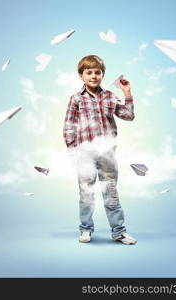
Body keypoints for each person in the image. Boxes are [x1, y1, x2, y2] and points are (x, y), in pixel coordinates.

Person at [63, 55, 137, 245]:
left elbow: (128, 116)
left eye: (97, 72)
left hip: (107, 154)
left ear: (102, 74)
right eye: (89, 72)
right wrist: (73, 151)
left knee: (111, 192)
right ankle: (86, 229)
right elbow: (69, 126)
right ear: (81, 75)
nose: (94, 76)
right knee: (86, 193)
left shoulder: (110, 96)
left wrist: (127, 93)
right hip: (84, 153)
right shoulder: (76, 98)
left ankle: (118, 231)